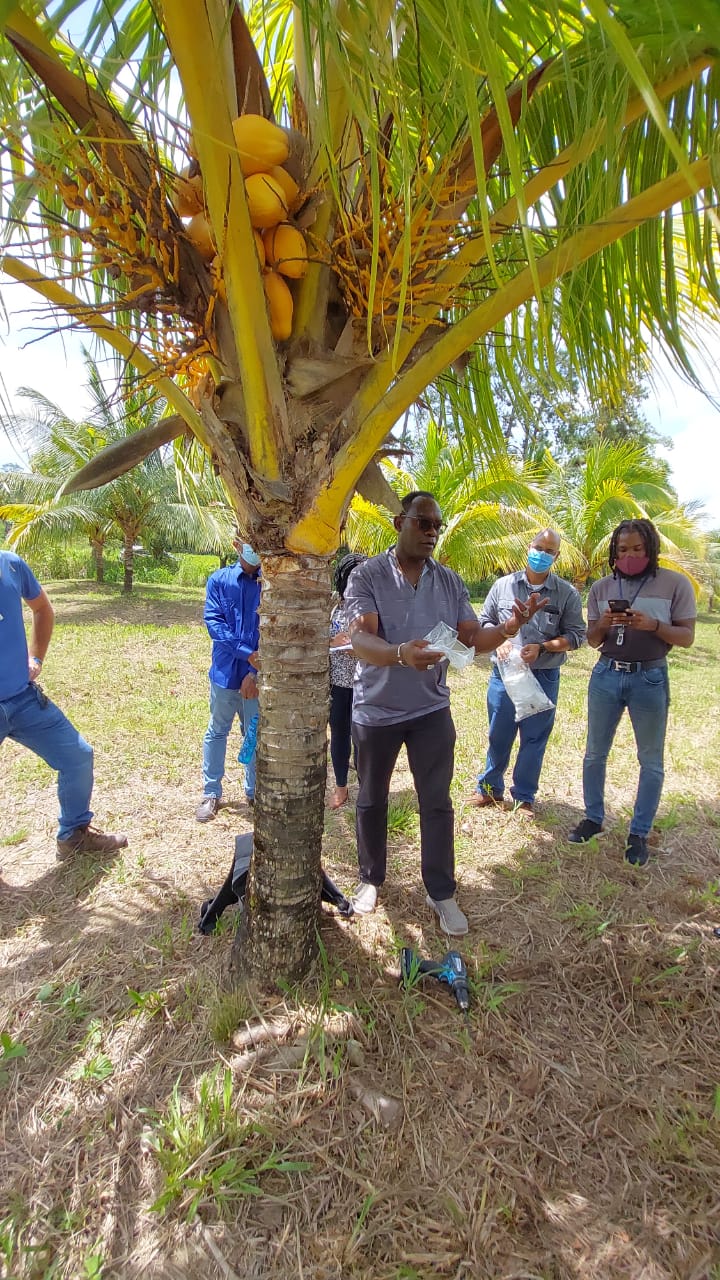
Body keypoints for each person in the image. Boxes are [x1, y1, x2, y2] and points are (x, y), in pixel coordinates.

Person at [344, 491, 547, 935]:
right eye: (423, 523)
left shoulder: (449, 581)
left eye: (437, 524)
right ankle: (370, 879)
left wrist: (508, 629)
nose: (432, 532)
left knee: (436, 802)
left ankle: (441, 891)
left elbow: (472, 638)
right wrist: (399, 653)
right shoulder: (367, 575)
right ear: (400, 523)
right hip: (375, 711)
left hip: (431, 709)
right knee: (371, 798)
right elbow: (360, 641)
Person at [568, 518, 696, 865]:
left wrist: (653, 625)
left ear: (651, 548)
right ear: (614, 552)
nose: (630, 555)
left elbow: (686, 637)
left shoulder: (675, 584)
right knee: (595, 753)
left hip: (650, 678)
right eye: (623, 549)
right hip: (606, 675)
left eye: (638, 549)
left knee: (650, 760)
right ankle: (593, 819)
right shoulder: (602, 588)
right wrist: (604, 625)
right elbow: (592, 640)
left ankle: (639, 833)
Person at [0, 550, 127, 860]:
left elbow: (42, 608)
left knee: (77, 756)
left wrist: (36, 658)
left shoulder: (11, 564)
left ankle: (74, 834)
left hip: (22, 697)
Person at [469, 529, 586, 817]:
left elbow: (577, 636)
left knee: (534, 739)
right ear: (528, 547)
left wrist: (543, 647)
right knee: (498, 734)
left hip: (543, 677)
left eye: (549, 550)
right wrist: (501, 642)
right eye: (538, 547)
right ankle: (489, 789)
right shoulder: (502, 586)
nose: (542, 554)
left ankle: (524, 797)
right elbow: (484, 621)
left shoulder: (566, 593)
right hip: (505, 676)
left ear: (556, 556)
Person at [195, 537, 261, 821]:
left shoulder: (269, 583)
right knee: (217, 730)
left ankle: (254, 790)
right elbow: (215, 624)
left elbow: (273, 629)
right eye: (248, 543)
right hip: (224, 674)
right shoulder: (219, 580)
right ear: (237, 545)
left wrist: (255, 672)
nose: (254, 549)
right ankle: (211, 792)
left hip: (256, 678)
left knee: (254, 733)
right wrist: (247, 655)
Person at [328, 552, 367, 809]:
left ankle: (366, 786)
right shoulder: (333, 607)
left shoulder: (374, 604)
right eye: (353, 576)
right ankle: (341, 786)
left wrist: (363, 647)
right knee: (340, 735)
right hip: (339, 684)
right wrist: (332, 642)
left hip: (366, 684)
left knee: (364, 738)